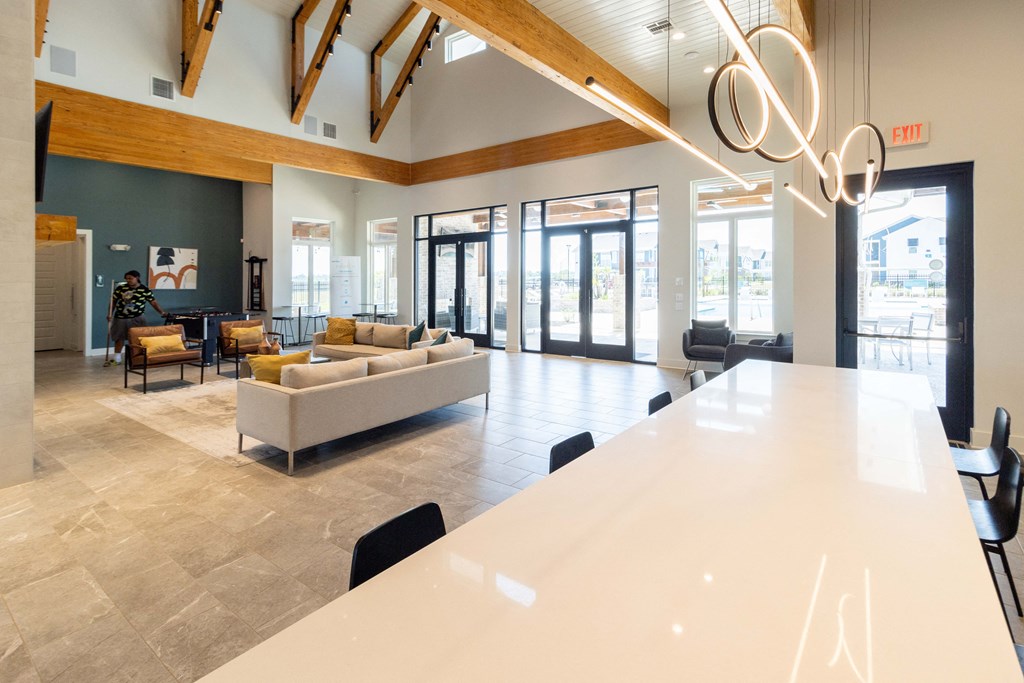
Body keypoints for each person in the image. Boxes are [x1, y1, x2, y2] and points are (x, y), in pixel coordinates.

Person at [106, 270, 167, 365]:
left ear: (137, 278)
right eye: (126, 279)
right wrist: (109, 314)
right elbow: (113, 301)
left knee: (139, 338)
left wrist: (162, 312)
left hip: (138, 317)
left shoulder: (145, 289)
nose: (128, 280)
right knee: (119, 337)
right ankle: (117, 358)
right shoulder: (121, 288)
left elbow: (153, 302)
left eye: (130, 278)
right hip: (121, 317)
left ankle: (137, 358)